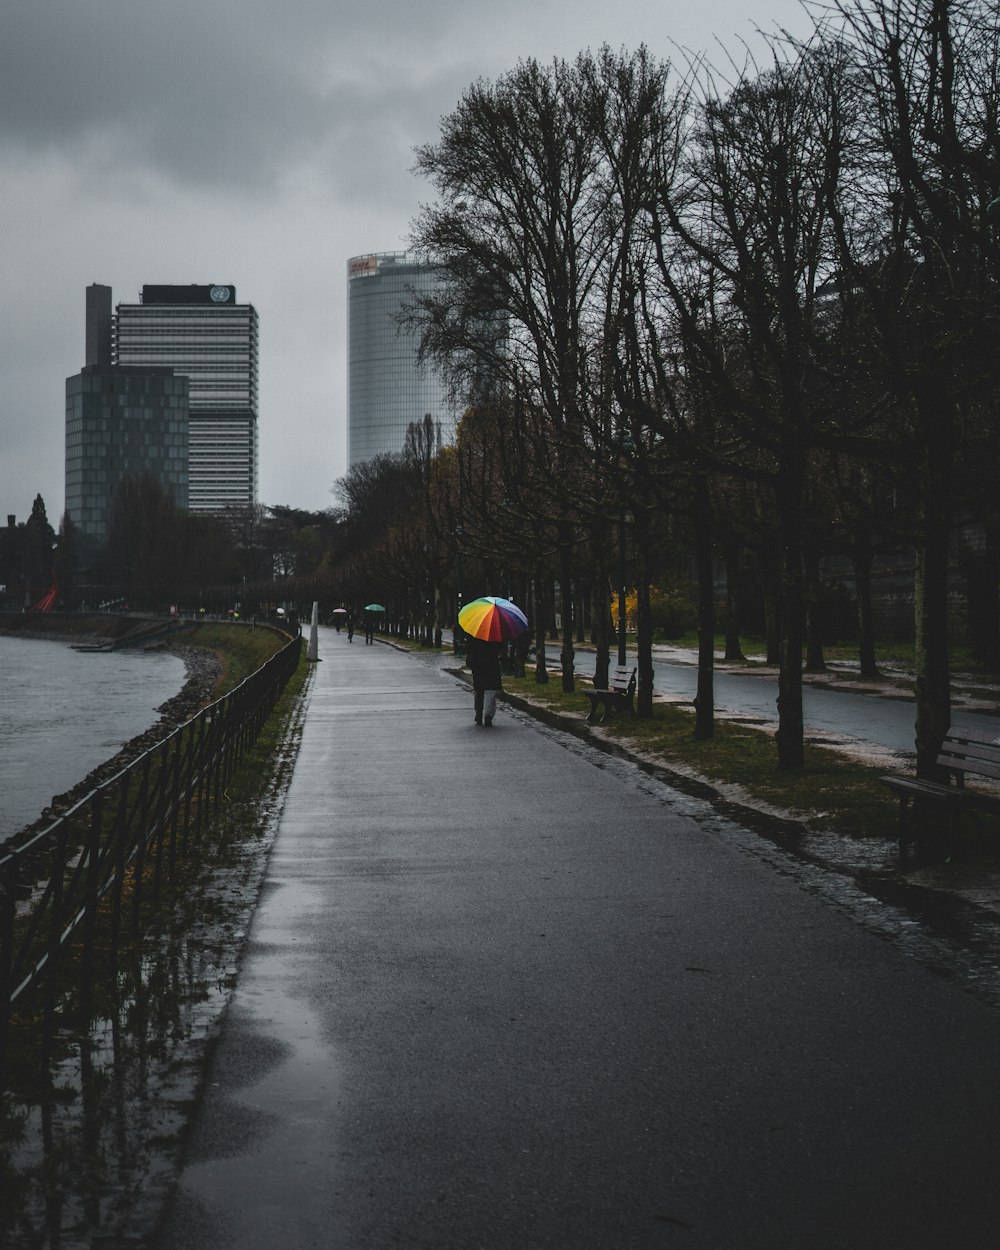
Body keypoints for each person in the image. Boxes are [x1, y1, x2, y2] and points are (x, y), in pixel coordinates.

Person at [465, 636, 503, 727]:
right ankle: (488, 715)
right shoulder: (496, 634)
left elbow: (468, 648)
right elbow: (500, 648)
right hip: (491, 664)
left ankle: (478, 713)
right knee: (490, 690)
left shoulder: (474, 634)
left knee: (479, 690)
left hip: (477, 664)